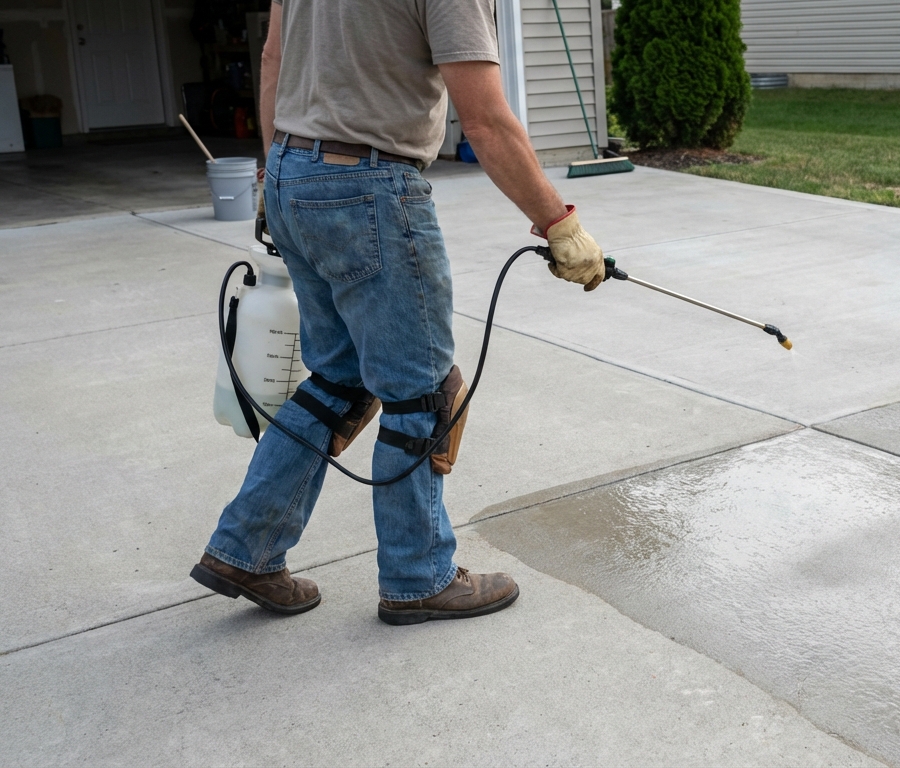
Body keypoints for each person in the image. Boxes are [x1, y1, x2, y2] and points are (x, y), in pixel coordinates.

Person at [189, 0, 605, 625]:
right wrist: (559, 223)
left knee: (337, 381)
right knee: (421, 393)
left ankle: (247, 548)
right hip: (369, 186)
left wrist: (277, 179)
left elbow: (273, 59)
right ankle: (419, 576)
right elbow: (486, 120)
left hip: (289, 175)